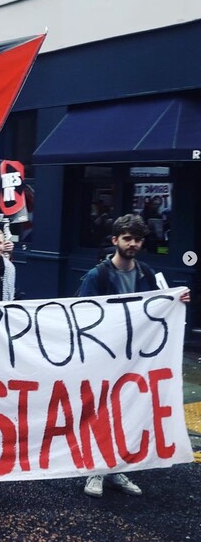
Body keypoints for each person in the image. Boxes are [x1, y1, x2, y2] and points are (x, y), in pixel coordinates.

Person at [79, 213, 190, 498]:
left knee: (126, 412)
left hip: (134, 360)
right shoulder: (98, 275)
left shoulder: (147, 274)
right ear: (115, 240)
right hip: (103, 358)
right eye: (127, 238)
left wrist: (176, 301)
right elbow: (80, 314)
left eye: (137, 239)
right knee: (101, 412)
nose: (132, 244)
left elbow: (158, 308)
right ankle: (96, 469)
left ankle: (115, 468)